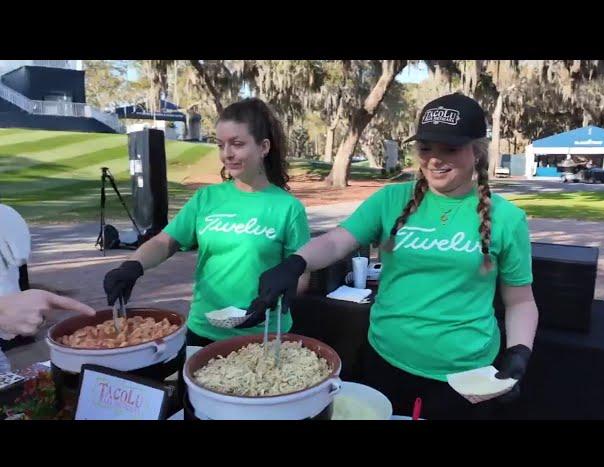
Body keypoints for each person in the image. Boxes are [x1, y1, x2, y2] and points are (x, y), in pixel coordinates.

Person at [243, 93, 539, 419]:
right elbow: (338, 240)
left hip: (465, 377)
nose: (435, 159)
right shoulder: (391, 199)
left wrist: (520, 352)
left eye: (450, 149)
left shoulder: (508, 220)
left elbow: (520, 301)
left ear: (477, 151)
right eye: (426, 148)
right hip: (386, 361)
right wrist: (295, 262)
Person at [103, 98, 311, 347]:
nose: (227, 154)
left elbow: (302, 274)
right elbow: (165, 241)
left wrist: (272, 299)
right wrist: (133, 266)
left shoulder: (288, 208)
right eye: (221, 145)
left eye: (237, 144)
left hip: (265, 335)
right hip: (203, 330)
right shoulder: (207, 198)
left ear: (263, 147)